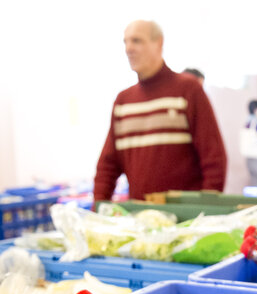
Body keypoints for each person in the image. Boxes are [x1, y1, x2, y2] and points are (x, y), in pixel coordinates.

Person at [93, 20, 226, 201]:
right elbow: (107, 166)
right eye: (125, 42)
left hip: (184, 222)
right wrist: (97, 212)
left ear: (159, 43)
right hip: (141, 218)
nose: (128, 48)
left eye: (137, 41)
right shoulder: (123, 101)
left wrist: (204, 212)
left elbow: (214, 159)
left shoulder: (188, 90)